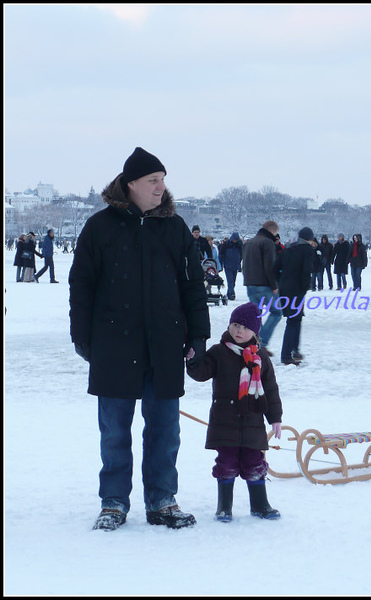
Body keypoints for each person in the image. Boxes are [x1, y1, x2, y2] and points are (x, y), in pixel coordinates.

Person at [69, 147, 211, 532]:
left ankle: (162, 499)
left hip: (165, 345)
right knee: (115, 431)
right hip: (114, 345)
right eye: (153, 181)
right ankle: (113, 502)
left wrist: (198, 334)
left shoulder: (175, 228)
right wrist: (82, 338)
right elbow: (81, 284)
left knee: (165, 430)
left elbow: (193, 286)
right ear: (130, 184)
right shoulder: (100, 227)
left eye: (163, 180)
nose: (161, 188)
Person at [186, 302, 283, 522]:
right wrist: (193, 361)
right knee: (226, 463)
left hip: (252, 421)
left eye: (245, 327)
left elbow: (270, 390)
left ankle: (260, 505)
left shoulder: (261, 358)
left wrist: (275, 418)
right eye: (236, 324)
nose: (239, 331)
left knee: (254, 462)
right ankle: (224, 506)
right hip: (225, 420)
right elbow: (202, 373)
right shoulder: (219, 352)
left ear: (255, 331)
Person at [273, 227, 315, 365]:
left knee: (296, 319)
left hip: (285, 288)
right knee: (293, 321)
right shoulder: (307, 250)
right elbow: (307, 270)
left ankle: (295, 350)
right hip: (297, 289)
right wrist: (305, 287)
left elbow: (275, 268)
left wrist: (281, 281)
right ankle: (286, 355)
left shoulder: (288, 248)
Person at [242, 220, 282, 353]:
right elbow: (269, 266)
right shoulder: (267, 243)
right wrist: (274, 285)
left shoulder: (249, 242)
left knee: (256, 315)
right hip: (263, 285)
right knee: (276, 312)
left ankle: (256, 343)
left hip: (250, 283)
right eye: (276, 233)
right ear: (271, 231)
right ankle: (262, 343)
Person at [219, 232, 243, 300]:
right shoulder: (226, 244)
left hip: (235, 265)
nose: (235, 241)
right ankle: (232, 293)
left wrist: (239, 261)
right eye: (234, 239)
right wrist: (222, 263)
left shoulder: (239, 245)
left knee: (233, 281)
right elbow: (221, 254)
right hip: (228, 265)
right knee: (230, 280)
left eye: (236, 239)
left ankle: (229, 293)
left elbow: (241, 254)